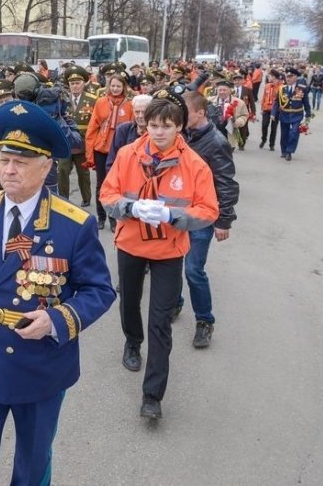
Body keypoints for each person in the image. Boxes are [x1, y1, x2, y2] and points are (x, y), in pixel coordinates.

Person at [0, 99, 115, 485]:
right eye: (4, 160)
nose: (9, 170)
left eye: (21, 162)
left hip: (40, 364)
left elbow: (99, 290)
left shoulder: (72, 224)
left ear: (47, 167)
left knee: (32, 462)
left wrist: (57, 319)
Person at [100, 90, 219, 419]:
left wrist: (172, 216)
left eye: (166, 125)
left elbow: (209, 211)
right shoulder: (127, 155)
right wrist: (130, 207)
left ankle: (152, 396)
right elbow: (107, 194)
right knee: (129, 302)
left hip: (168, 249)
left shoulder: (194, 164)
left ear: (179, 127)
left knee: (161, 321)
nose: (159, 131)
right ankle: (132, 341)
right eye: (153, 125)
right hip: (131, 243)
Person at [178, 91, 240, 347]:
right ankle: (175, 304)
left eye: (185, 113)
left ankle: (204, 321)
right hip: (179, 214)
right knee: (171, 266)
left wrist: (224, 220)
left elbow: (226, 183)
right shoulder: (183, 136)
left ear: (200, 113)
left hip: (202, 217)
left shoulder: (216, 142)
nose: (180, 118)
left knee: (193, 270)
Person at [84, 72, 133, 229]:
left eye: (119, 86)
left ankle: (114, 218)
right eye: (113, 85)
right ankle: (101, 217)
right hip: (102, 149)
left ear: (124, 87)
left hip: (120, 151)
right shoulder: (101, 102)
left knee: (117, 186)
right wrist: (89, 153)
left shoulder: (129, 105)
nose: (116, 88)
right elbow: (92, 128)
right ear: (108, 86)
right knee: (101, 184)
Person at [58, 66, 98, 207]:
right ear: (68, 85)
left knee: (83, 173)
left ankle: (86, 198)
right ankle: (63, 199)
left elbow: (96, 123)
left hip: (83, 143)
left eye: (78, 83)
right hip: (66, 142)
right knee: (62, 170)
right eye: (72, 83)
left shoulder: (93, 100)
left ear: (84, 83)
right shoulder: (62, 99)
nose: (75, 86)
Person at [272, 68, 311, 161]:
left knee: (294, 133)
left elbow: (306, 102)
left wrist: (308, 113)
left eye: (291, 76)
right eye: (287, 77)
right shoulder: (282, 88)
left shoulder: (302, 88)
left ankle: (289, 151)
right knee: (284, 133)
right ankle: (284, 151)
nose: (288, 79)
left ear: (296, 77)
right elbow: (277, 102)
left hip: (296, 114)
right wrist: (273, 113)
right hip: (284, 113)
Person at [105, 94, 153, 170]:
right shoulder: (123, 130)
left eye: (144, 112)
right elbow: (111, 162)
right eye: (137, 112)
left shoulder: (157, 133)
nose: (140, 116)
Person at [209, 80, 249, 151]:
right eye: (220, 90)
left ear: (230, 91)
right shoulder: (209, 101)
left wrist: (238, 122)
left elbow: (245, 115)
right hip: (213, 133)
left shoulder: (239, 102)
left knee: (227, 157)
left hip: (229, 133)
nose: (222, 92)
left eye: (224, 90)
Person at [259, 69, 282, 151]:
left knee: (274, 127)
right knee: (264, 125)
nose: (268, 77)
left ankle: (271, 144)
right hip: (266, 109)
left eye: (269, 76)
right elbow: (264, 97)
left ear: (274, 77)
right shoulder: (267, 85)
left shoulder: (281, 87)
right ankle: (263, 139)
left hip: (276, 110)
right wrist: (262, 108)